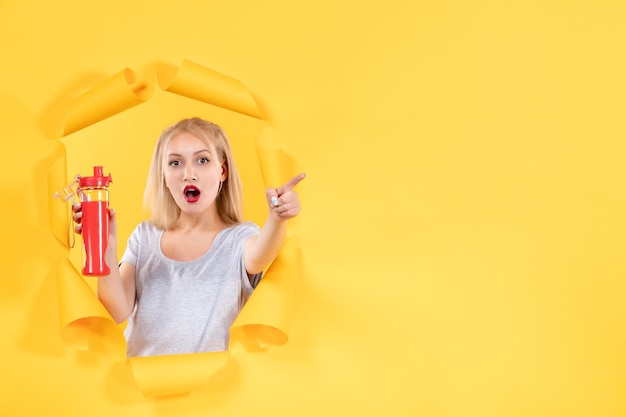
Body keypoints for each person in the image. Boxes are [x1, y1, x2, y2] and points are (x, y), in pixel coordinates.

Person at [73, 117, 305, 357]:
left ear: (222, 171)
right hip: (142, 387)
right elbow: (116, 311)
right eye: (175, 163)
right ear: (163, 174)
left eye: (202, 160)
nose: (188, 174)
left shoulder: (239, 239)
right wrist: (105, 248)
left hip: (211, 389)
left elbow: (262, 253)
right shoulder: (145, 237)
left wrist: (277, 219)